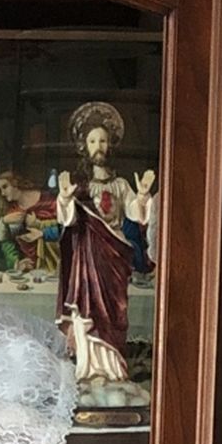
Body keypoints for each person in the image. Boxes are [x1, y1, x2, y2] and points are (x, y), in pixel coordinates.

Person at [56, 102, 155, 368]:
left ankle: (112, 368)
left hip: (115, 257)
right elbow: (68, 221)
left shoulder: (121, 185)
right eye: (92, 140)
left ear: (110, 145)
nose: (98, 146)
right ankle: (89, 367)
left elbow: (136, 213)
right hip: (87, 259)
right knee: (88, 311)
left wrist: (144, 196)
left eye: (103, 140)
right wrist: (65, 199)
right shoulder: (80, 187)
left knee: (114, 313)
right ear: (83, 147)